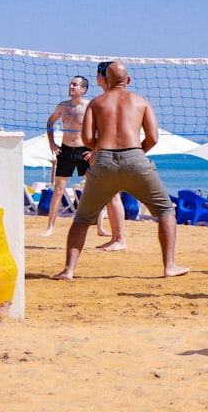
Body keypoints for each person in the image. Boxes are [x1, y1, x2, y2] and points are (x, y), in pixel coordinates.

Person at [52, 61, 189, 280]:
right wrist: (136, 153)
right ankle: (169, 266)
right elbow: (153, 138)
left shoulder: (96, 103)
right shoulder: (141, 101)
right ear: (128, 80)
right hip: (135, 157)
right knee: (165, 210)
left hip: (104, 159)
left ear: (105, 80)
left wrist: (101, 149)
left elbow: (87, 139)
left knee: (82, 218)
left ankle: (68, 270)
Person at [42, 76, 94, 236]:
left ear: (83, 90)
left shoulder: (89, 107)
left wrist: (94, 150)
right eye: (70, 84)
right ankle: (50, 227)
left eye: (75, 84)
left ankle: (100, 227)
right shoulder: (62, 106)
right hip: (65, 150)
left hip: (83, 150)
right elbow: (50, 122)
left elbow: (100, 129)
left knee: (95, 188)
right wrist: (52, 142)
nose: (71, 86)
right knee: (58, 189)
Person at [92, 61, 128, 251]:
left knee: (113, 196)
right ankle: (116, 237)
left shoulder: (110, 99)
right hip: (111, 152)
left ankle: (120, 239)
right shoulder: (110, 98)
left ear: (102, 77)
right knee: (111, 196)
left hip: (113, 153)